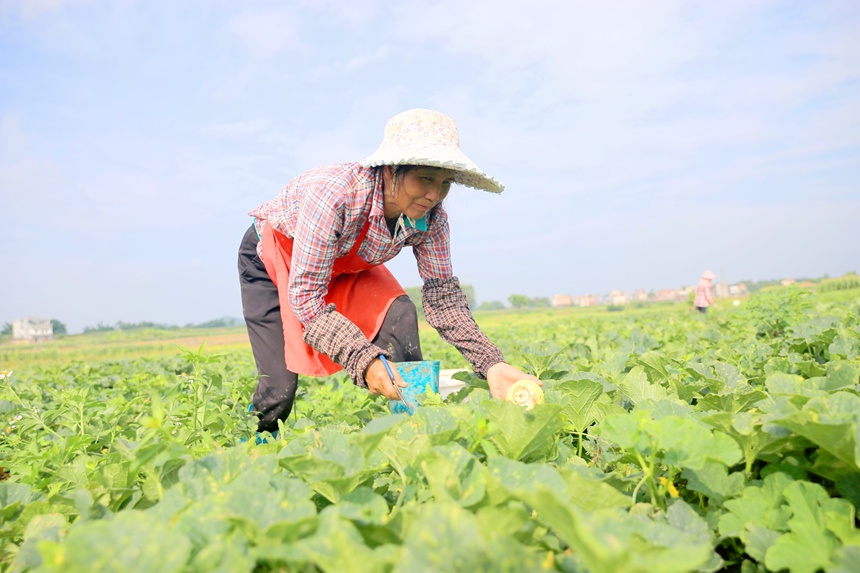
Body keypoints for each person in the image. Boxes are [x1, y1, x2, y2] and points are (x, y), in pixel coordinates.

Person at [238, 108, 540, 434]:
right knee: (279, 387)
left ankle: (416, 432)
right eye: (425, 178)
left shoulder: (431, 219)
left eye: (445, 183)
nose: (434, 195)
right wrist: (363, 359)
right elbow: (307, 295)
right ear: (391, 169)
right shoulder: (334, 197)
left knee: (399, 316)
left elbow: (443, 300)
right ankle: (258, 445)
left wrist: (490, 363)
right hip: (274, 259)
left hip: (346, 264)